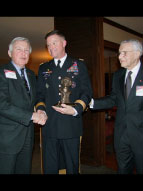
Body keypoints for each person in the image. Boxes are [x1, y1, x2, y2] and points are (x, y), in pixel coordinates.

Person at [36, 30, 92, 174]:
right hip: (50, 125)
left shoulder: (78, 64)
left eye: (54, 43)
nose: (51, 47)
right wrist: (41, 109)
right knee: (50, 167)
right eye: (48, 45)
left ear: (64, 43)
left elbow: (87, 92)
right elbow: (40, 94)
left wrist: (75, 109)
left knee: (71, 167)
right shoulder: (43, 67)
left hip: (71, 125)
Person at [90, 39, 143, 174]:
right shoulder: (118, 75)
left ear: (137, 54)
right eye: (119, 53)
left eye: (124, 53)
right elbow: (113, 99)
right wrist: (90, 103)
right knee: (123, 170)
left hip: (141, 136)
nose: (119, 57)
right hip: (121, 137)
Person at [0, 37, 47, 174]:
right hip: (8, 138)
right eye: (19, 49)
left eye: (26, 50)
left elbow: (36, 97)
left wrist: (41, 110)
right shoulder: (1, 73)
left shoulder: (32, 75)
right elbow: (2, 104)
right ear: (10, 53)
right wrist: (32, 115)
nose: (23, 53)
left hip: (28, 136)